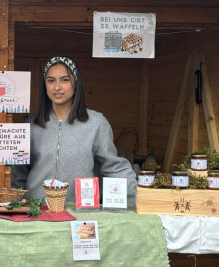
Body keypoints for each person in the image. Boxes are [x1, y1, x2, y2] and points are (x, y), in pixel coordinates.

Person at [12, 56, 137, 205]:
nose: (57, 87)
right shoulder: (31, 125)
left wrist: (139, 199)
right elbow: (17, 173)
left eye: (64, 80)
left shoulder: (96, 123)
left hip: (81, 211)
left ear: (75, 83)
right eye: (51, 80)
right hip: (37, 209)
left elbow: (115, 167)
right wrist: (15, 205)